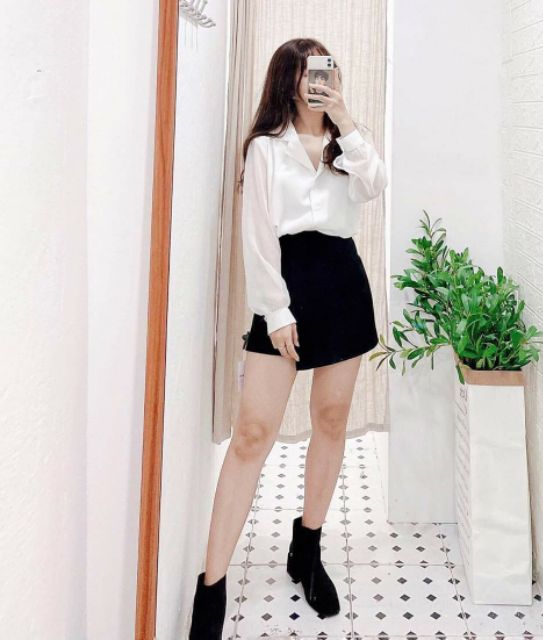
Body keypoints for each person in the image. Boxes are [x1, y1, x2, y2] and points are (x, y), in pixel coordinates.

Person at [189, 37, 387, 639]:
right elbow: (257, 234)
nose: (317, 82)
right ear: (287, 81)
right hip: (285, 286)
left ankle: (308, 547)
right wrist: (276, 311)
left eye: (325, 70)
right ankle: (211, 585)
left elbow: (374, 185)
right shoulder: (265, 148)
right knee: (253, 433)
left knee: (331, 419)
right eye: (306, 73)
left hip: (343, 285)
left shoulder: (347, 142)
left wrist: (345, 121)